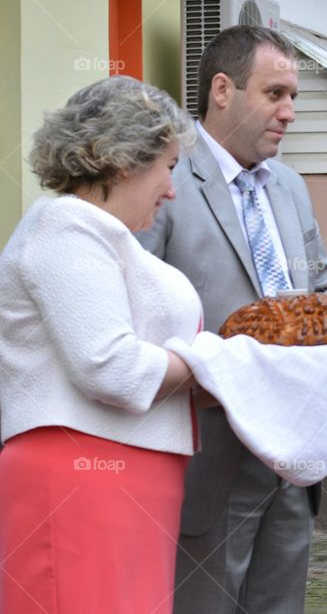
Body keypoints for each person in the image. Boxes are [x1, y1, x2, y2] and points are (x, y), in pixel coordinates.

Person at [136, 25, 327, 613]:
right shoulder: (163, 180)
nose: (290, 112)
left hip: (291, 455)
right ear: (222, 90)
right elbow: (136, 304)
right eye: (275, 94)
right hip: (209, 450)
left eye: (294, 97)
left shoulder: (292, 187)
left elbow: (326, 284)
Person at [0, 76, 199, 613]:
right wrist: (209, 361)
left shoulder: (106, 235)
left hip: (128, 479)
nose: (173, 188)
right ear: (125, 159)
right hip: (81, 478)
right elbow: (109, 366)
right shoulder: (66, 226)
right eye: (170, 167)